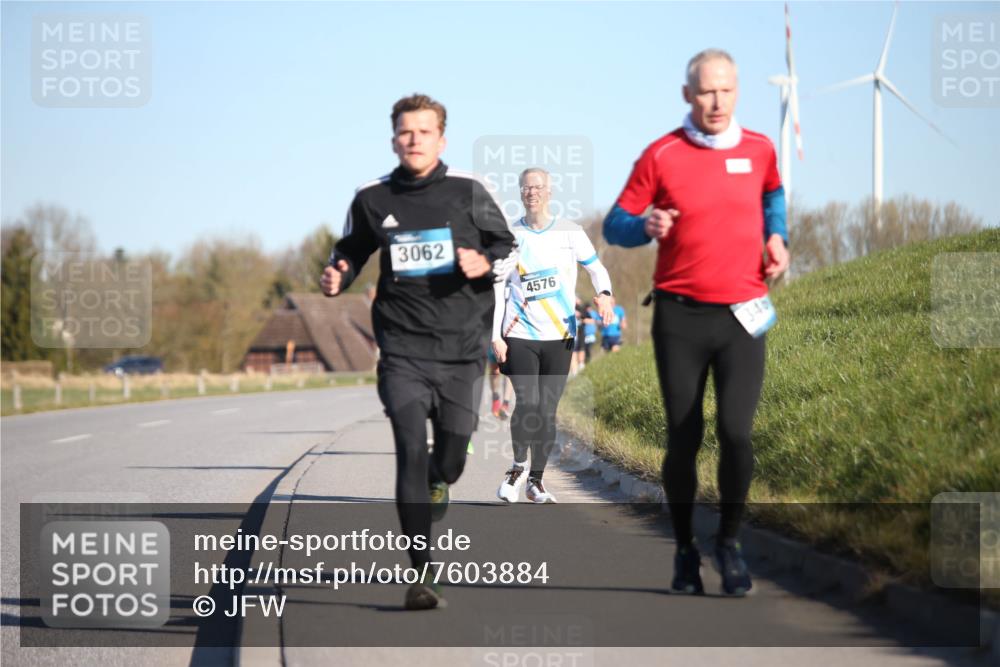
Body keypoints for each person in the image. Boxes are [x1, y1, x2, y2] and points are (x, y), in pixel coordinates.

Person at [603, 49, 790, 597]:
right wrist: (646, 223)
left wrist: (776, 235)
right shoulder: (661, 154)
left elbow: (773, 194)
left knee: (737, 433)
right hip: (680, 316)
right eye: (706, 91)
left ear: (737, 92)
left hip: (742, 315)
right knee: (684, 437)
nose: (716, 101)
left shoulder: (759, 149)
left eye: (726, 90)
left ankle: (729, 544)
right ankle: (685, 550)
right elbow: (616, 224)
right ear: (688, 95)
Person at [321, 93, 516, 610]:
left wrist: (481, 262)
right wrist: (338, 271)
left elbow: (505, 245)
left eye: (424, 132)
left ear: (441, 139)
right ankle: (422, 573)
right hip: (402, 350)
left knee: (449, 460)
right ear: (393, 139)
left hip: (461, 350)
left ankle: (439, 478)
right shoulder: (373, 197)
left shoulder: (469, 192)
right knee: (409, 449)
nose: (414, 140)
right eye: (405, 132)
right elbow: (352, 248)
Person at [493, 167, 613, 504]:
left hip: (559, 335)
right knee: (527, 403)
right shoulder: (509, 235)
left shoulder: (570, 232)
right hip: (519, 334)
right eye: (527, 187)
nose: (533, 192)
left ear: (550, 191)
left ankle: (536, 480)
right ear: (520, 193)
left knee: (546, 410)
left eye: (539, 186)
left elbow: (596, 268)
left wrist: (603, 292)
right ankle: (517, 467)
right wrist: (495, 336)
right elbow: (497, 290)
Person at [487, 343, 513, 419]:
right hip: (494, 336)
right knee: (495, 371)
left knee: (509, 369)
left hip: (510, 335)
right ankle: (495, 397)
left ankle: (505, 403)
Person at [572, 298, 596, 374]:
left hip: (581, 334)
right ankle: (574, 371)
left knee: (581, 349)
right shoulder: (568, 307)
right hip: (571, 335)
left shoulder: (582, 309)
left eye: (578, 299)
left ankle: (581, 366)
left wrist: (582, 320)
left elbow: (591, 321)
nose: (577, 301)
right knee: (573, 352)